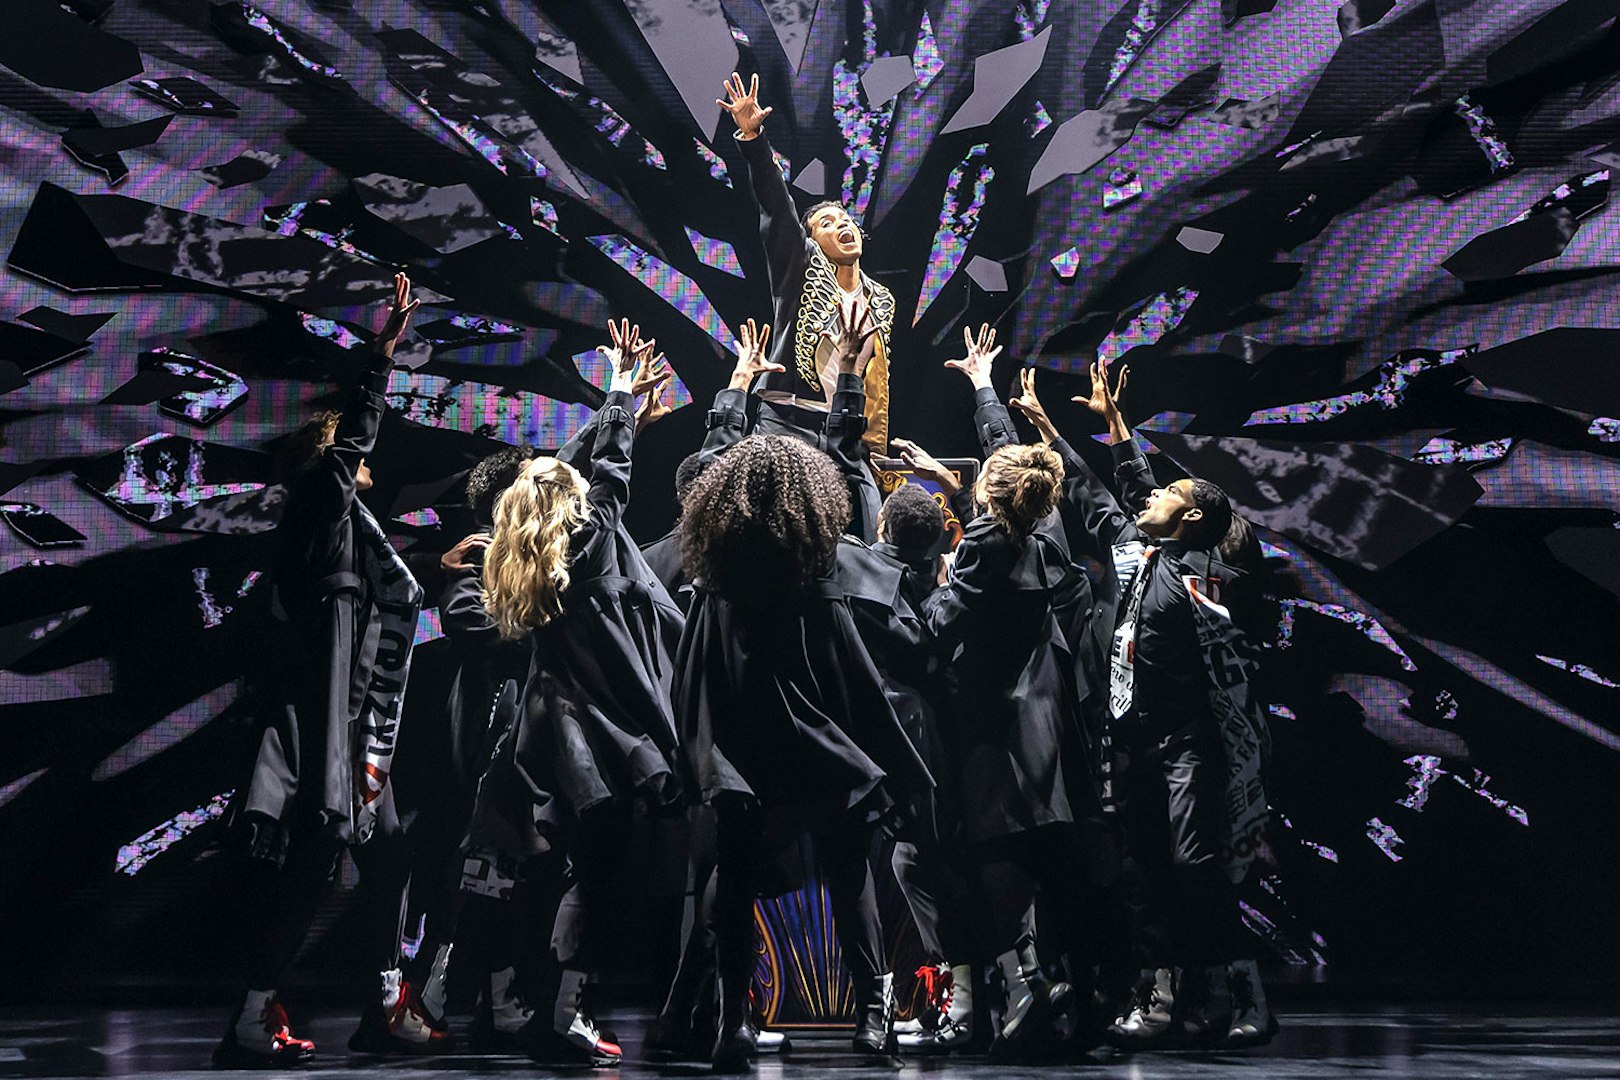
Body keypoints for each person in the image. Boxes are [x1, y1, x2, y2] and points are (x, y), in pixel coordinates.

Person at [1008, 363, 1275, 1049]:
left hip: (1189, 740)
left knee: (1194, 863)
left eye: (1167, 495)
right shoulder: (1132, 548)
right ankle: (1158, 995)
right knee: (1140, 870)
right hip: (1127, 737)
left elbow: (1135, 492)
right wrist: (1062, 424)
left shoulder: (1210, 577)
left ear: (1189, 518)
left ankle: (1239, 986)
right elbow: (1109, 487)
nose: (1146, 498)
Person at [213, 274, 428, 1067]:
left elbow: (386, 597)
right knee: (313, 866)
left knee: (392, 850)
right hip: (324, 728)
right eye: (354, 450)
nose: (369, 460)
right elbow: (355, 445)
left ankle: (383, 1004)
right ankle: (247, 1015)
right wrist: (382, 355)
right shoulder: (318, 503)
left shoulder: (345, 528)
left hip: (355, 724)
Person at [676, 430, 934, 1071]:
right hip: (823, 749)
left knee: (736, 883)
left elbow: (697, 672)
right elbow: (871, 659)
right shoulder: (825, 566)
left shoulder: (718, 577)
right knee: (850, 875)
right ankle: (875, 1019)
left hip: (744, 751)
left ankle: (731, 1022)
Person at [480, 320, 686, 1066]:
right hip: (596, 730)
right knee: (595, 877)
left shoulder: (526, 555)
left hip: (553, 722)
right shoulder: (591, 544)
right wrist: (621, 397)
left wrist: (616, 403)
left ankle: (545, 1004)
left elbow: (561, 479)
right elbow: (612, 478)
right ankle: (564, 1009)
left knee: (560, 869)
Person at [717, 71, 897, 455]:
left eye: (847, 220)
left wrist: (875, 447)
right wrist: (753, 140)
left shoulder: (881, 298)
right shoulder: (802, 266)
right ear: (811, 241)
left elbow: (877, 384)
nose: (842, 225)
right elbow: (778, 207)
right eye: (827, 223)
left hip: (846, 429)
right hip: (788, 422)